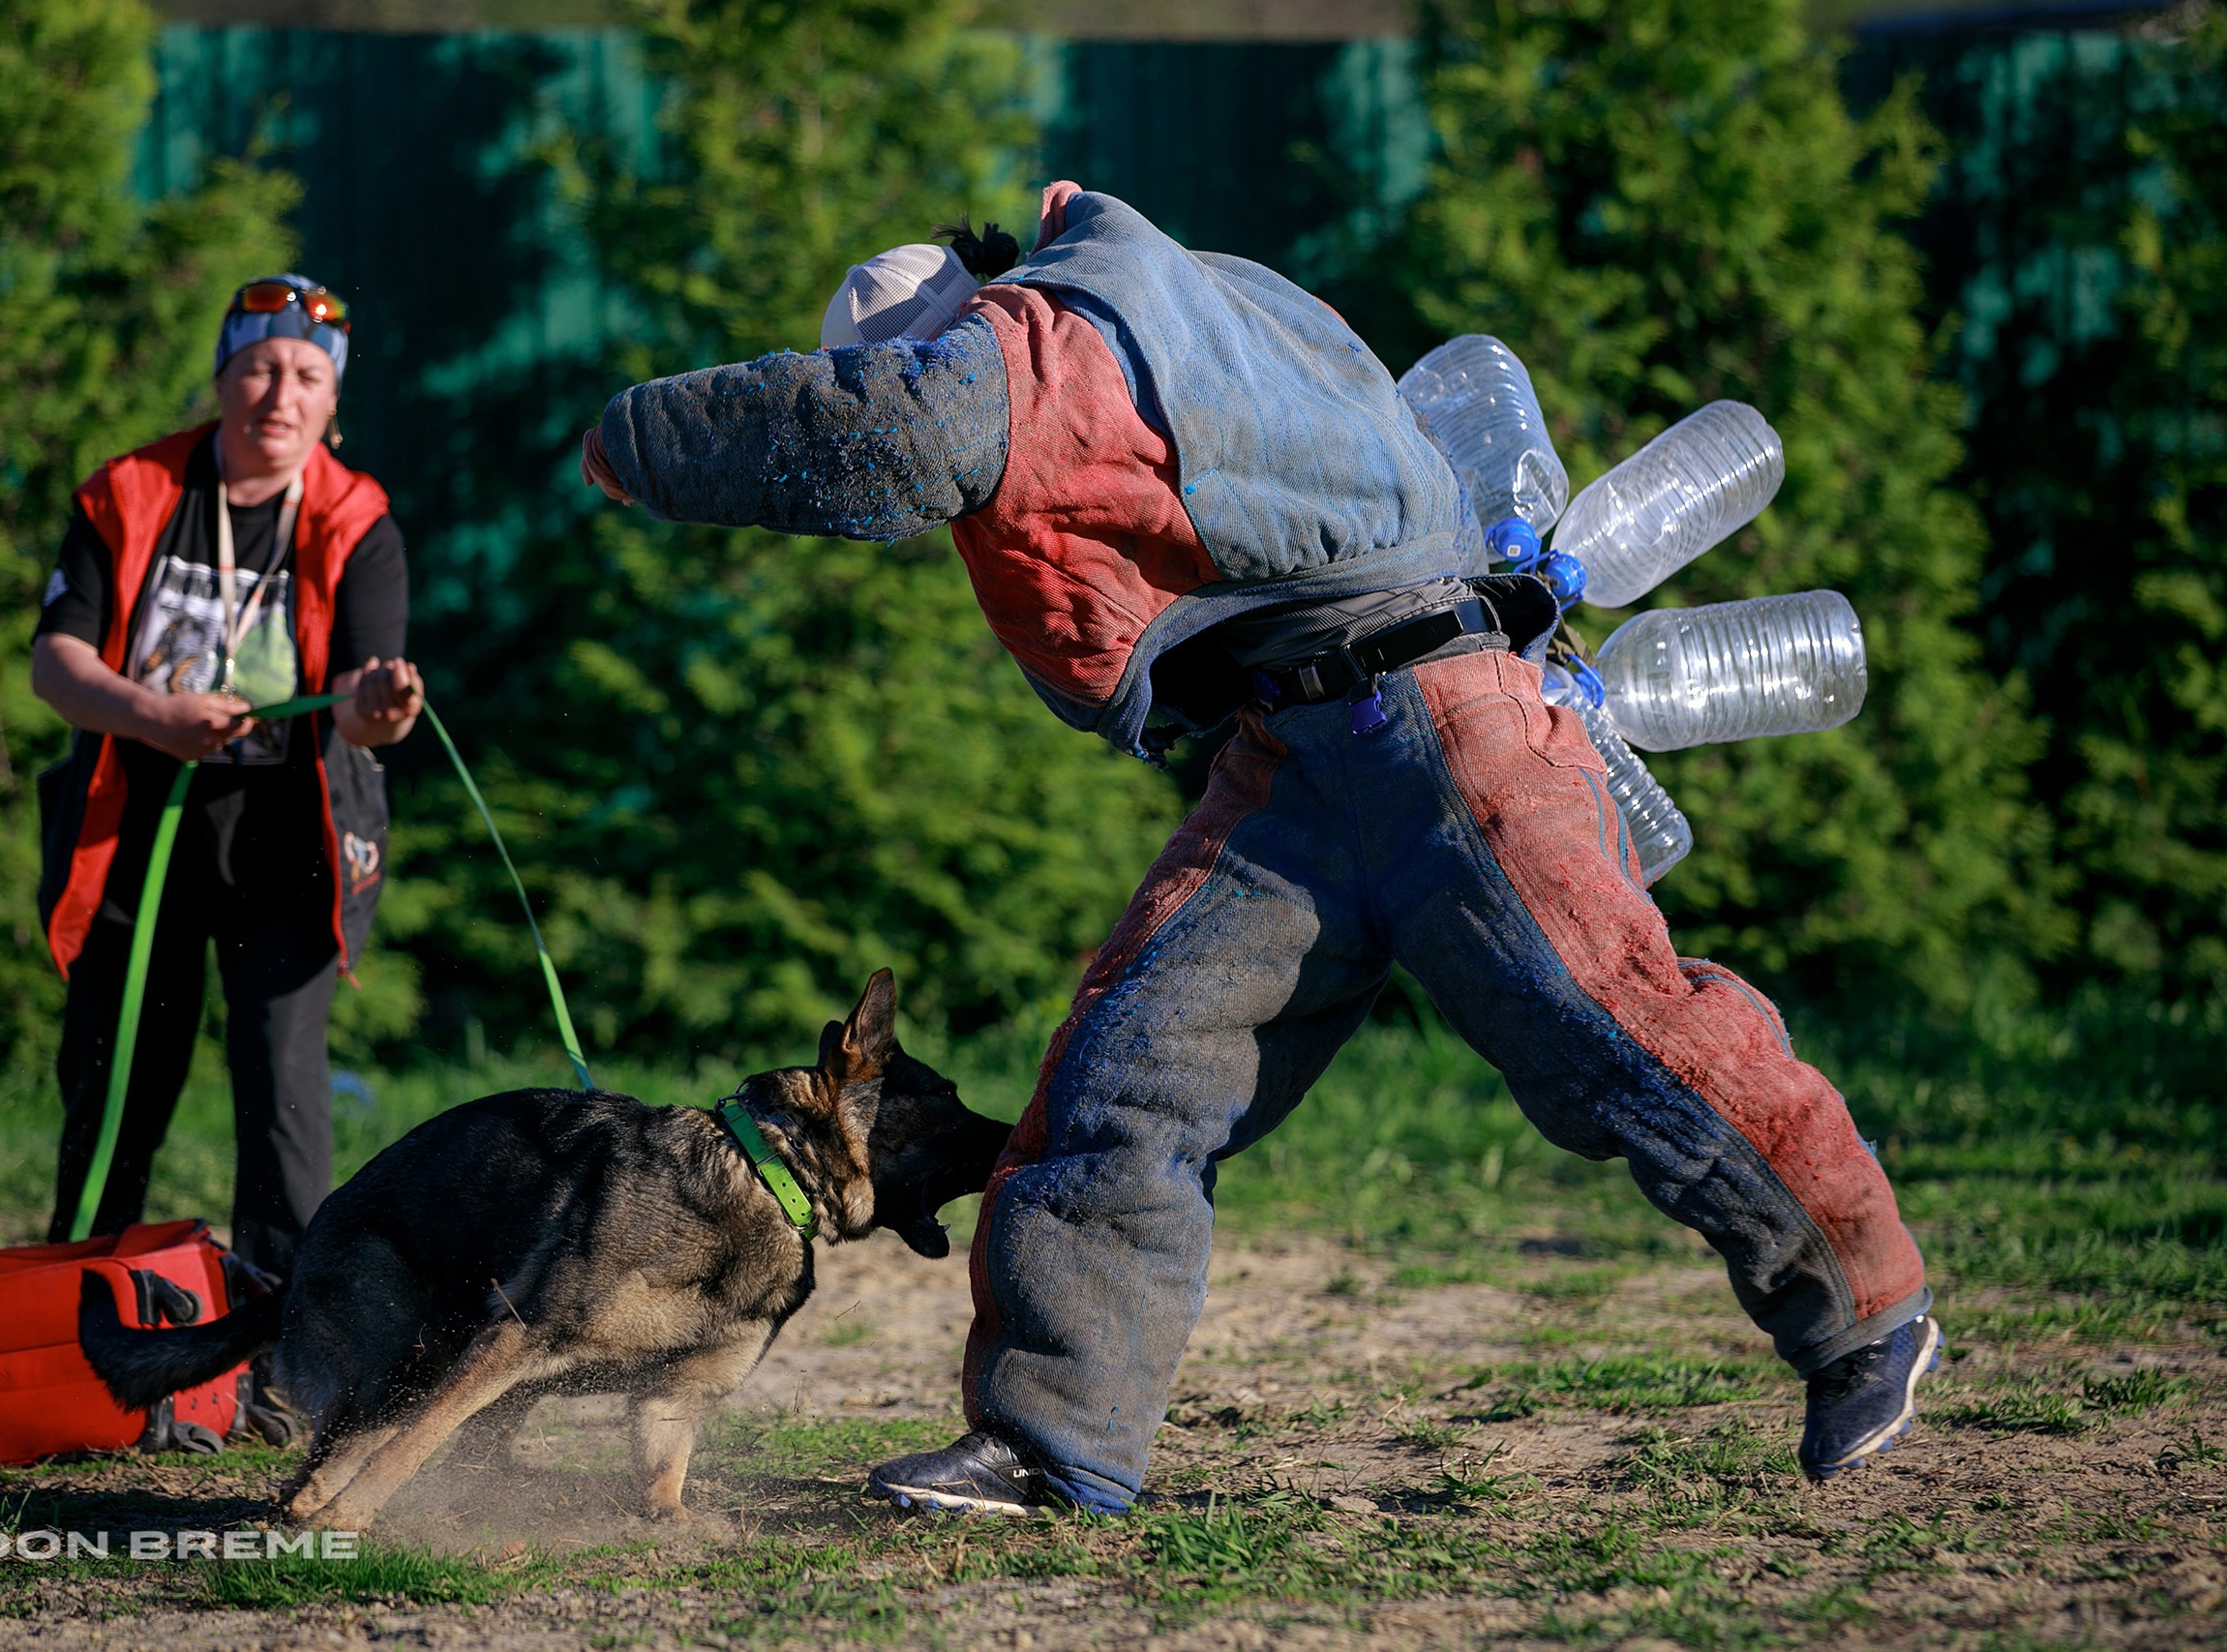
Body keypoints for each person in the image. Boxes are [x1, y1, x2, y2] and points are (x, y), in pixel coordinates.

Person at [579, 186, 1938, 1512]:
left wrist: (634, 440)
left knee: (1612, 1025)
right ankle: (1053, 1442)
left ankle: (1865, 1309)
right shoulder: (1151, 295)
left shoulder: (1031, 345)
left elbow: (890, 432)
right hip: (1296, 747)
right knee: (1134, 1064)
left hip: (1442, 716)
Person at [32, 273, 424, 1301]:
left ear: (332, 399)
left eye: (304, 375)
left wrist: (381, 708)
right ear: (222, 379)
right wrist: (147, 712)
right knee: (116, 1078)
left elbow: (358, 702)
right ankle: (75, 1300)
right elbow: (54, 665)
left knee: (283, 1092)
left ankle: (285, 1336)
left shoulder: (358, 520)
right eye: (258, 368)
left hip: (285, 844)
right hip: (138, 829)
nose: (278, 395)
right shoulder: (130, 494)